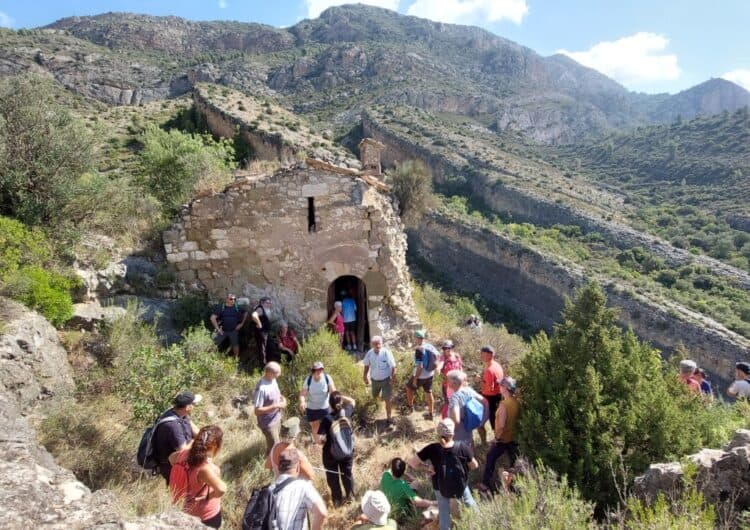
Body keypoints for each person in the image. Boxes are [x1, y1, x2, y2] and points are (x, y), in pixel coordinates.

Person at [407, 418, 478, 530]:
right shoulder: (462, 447)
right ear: (453, 433)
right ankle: (480, 523)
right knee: (470, 504)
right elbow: (475, 465)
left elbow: (412, 462)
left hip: (440, 487)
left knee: (444, 513)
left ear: (438, 434)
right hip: (461, 485)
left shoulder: (431, 449)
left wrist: (427, 468)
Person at [168, 425, 226, 528]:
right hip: (206, 516)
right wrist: (207, 497)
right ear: (215, 445)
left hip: (185, 511)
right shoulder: (204, 468)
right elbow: (221, 489)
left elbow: (170, 458)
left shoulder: (182, 455)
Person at [480, 377, 520, 493]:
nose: (499, 387)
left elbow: (501, 425)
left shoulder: (503, 405)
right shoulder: (516, 402)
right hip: (513, 438)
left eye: (501, 385)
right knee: (513, 462)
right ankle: (513, 487)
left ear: (506, 388)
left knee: (490, 458)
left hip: (502, 439)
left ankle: (485, 485)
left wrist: (496, 439)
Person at [273, 447, 328, 530]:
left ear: (279, 468)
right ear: (298, 468)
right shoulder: (303, 487)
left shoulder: (268, 490)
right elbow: (321, 512)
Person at [152, 391, 201, 484]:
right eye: (193, 404)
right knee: (181, 493)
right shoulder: (173, 426)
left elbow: (196, 431)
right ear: (187, 407)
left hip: (180, 461)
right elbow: (183, 452)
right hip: (173, 466)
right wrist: (196, 441)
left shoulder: (179, 413)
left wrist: (201, 437)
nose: (195, 406)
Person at [318, 391, 356, 507]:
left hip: (331, 455)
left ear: (329, 404)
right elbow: (352, 401)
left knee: (333, 478)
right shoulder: (346, 413)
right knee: (347, 475)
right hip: (347, 452)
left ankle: (337, 500)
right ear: (340, 402)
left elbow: (321, 439)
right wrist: (341, 397)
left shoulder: (327, 419)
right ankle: (350, 498)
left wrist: (322, 441)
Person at [447, 370, 488, 448]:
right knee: (469, 444)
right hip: (468, 425)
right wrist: (483, 422)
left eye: (448, 380)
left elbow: (456, 420)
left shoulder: (454, 398)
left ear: (453, 383)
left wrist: (450, 432)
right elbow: (485, 402)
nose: (447, 382)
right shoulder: (468, 390)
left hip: (459, 431)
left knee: (460, 451)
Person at [299, 361, 336, 445]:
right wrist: (302, 402)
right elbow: (302, 394)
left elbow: (333, 392)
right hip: (312, 407)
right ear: (313, 370)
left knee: (328, 426)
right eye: (316, 370)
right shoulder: (308, 379)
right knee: (315, 426)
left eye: (321, 369)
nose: (319, 371)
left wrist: (334, 404)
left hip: (325, 407)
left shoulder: (327, 378)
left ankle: (329, 443)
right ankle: (318, 444)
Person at [363, 336, 397, 425]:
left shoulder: (386, 353)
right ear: (372, 344)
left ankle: (389, 418)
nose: (377, 345)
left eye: (379, 343)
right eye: (375, 344)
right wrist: (365, 376)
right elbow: (366, 365)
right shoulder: (369, 353)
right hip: (374, 380)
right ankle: (378, 410)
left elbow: (393, 366)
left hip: (386, 380)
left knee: (387, 399)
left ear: (382, 344)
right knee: (375, 397)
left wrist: (393, 378)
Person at [253, 361, 286, 454]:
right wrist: (276, 405)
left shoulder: (273, 380)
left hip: (276, 417)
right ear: (270, 373)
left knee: (274, 444)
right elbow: (257, 411)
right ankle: (273, 466)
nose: (279, 375)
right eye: (277, 373)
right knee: (275, 448)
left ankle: (269, 456)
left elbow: (277, 394)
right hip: (268, 423)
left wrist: (283, 399)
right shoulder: (262, 389)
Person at [406, 329, 439, 420]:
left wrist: (415, 378)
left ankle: (410, 407)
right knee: (429, 392)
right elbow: (438, 357)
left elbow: (420, 366)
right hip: (430, 374)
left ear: (417, 338)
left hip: (420, 375)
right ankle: (431, 414)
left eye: (415, 338)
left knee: (409, 389)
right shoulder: (430, 346)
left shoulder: (419, 350)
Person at [475, 345, 504, 444]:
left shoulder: (489, 370)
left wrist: (480, 380)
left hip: (490, 398)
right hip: (498, 396)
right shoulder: (496, 365)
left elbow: (490, 388)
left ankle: (493, 442)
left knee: (488, 422)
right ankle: (498, 440)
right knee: (496, 420)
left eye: (482, 354)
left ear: (489, 355)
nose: (480, 355)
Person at [210, 294, 247, 358]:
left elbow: (246, 312)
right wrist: (218, 329)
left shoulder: (237, 307)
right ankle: (207, 358)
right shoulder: (221, 307)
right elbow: (212, 318)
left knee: (235, 345)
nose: (233, 300)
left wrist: (241, 324)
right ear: (226, 299)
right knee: (214, 344)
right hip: (222, 330)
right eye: (231, 299)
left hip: (233, 330)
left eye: (234, 299)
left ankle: (236, 360)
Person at [437, 340, 463, 417]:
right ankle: (447, 420)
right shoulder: (443, 358)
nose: (446, 350)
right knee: (448, 403)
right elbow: (440, 365)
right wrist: (438, 370)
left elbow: (460, 367)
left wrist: (462, 380)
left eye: (448, 348)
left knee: (457, 403)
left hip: (457, 385)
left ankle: (456, 419)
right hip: (447, 386)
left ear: (452, 348)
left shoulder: (457, 356)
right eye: (444, 348)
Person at [251, 296, 273, 364]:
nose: (270, 304)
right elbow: (254, 315)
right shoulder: (260, 309)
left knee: (266, 348)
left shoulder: (265, 308)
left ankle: (267, 363)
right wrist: (259, 323)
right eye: (268, 302)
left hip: (265, 332)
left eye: (270, 303)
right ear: (262, 303)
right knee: (262, 350)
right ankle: (263, 367)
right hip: (261, 333)